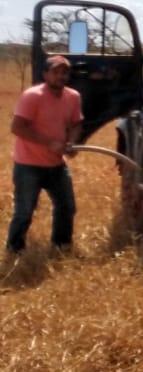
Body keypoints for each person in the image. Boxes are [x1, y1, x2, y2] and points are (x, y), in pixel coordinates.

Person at [7, 55, 83, 253]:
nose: (60, 76)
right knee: (24, 212)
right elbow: (17, 127)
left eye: (64, 72)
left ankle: (61, 246)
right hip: (28, 165)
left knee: (67, 207)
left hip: (57, 165)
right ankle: (14, 250)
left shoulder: (73, 96)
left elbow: (76, 123)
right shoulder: (32, 96)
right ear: (45, 74)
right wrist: (49, 143)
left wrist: (72, 142)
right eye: (55, 72)